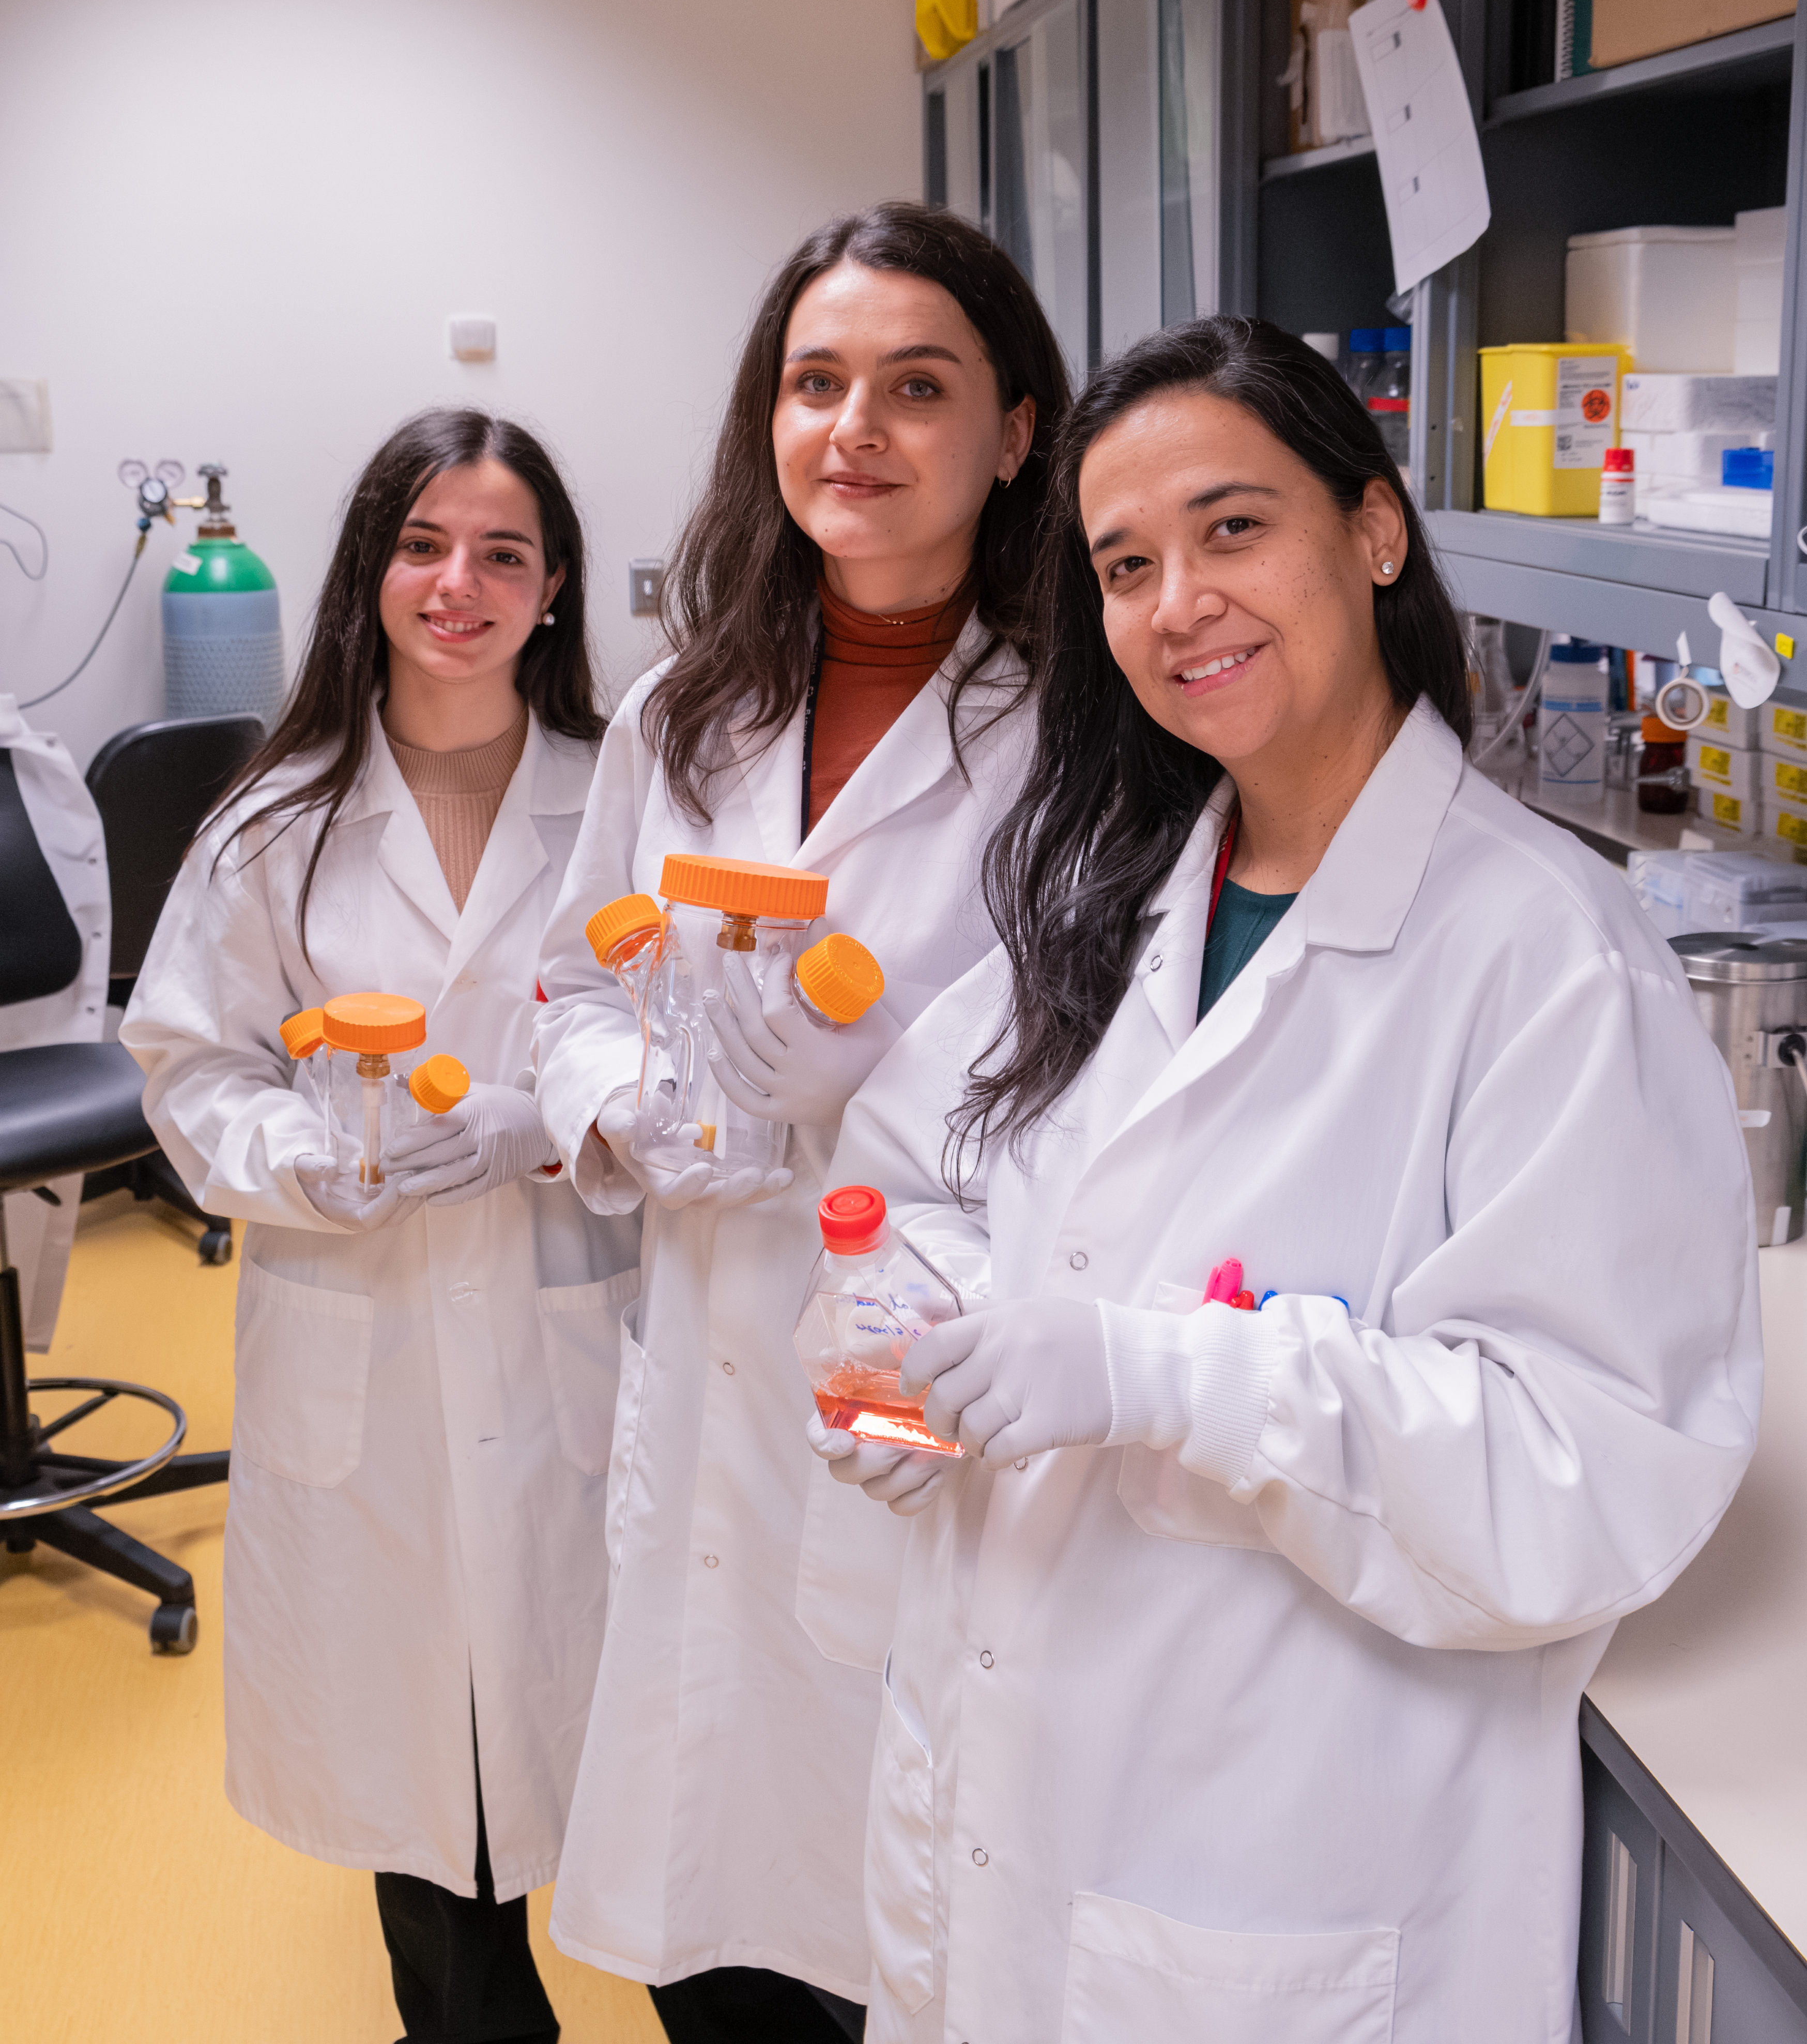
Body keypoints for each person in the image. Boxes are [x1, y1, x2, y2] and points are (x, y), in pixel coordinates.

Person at [819, 316, 1762, 2041]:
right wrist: (915, 1347)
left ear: (1376, 532)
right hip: (1008, 1811)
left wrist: (1161, 1371)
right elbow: (910, 1179)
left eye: (1233, 527)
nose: (1178, 602)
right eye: (1126, 563)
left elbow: (1587, 1471)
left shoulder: (1546, 954)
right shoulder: (1122, 885)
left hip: (1287, 1872)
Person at [533, 203, 1070, 2040]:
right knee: (728, 1924)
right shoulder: (685, 712)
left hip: (933, 1375)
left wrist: (885, 1103)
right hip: (705, 1361)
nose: (856, 427)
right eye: (816, 382)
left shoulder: (1085, 727)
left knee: (919, 1917)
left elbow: (1125, 1075)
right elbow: (575, 990)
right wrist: (634, 1116)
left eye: (916, 388)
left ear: (1014, 435)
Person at [122, 408, 638, 2044]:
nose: (459, 584)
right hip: (367, 1346)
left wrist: (553, 1127)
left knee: (643, 1767)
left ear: (553, 587)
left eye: (503, 553)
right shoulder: (278, 817)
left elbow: (682, 1047)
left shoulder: (628, 792)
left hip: (585, 1332)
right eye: (424, 544)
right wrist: (306, 1158)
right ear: (373, 570)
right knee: (435, 1832)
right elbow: (189, 1066)